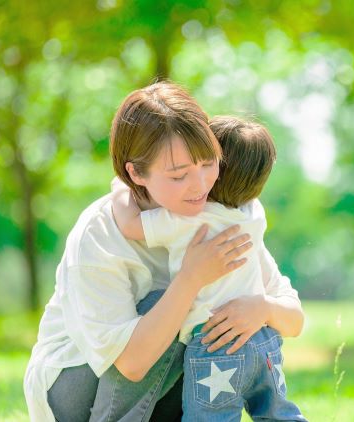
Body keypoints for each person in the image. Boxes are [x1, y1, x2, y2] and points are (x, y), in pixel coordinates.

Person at [23, 81, 305, 421]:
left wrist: (261, 307)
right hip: (77, 388)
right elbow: (132, 363)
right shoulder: (99, 233)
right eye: (178, 175)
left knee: (213, 319)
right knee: (168, 303)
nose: (200, 185)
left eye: (208, 163)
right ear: (136, 172)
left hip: (162, 380)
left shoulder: (223, 214)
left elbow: (292, 317)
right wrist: (191, 278)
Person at [111, 115, 307, 421]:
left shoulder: (187, 220)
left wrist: (121, 188)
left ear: (217, 170)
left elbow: (130, 225)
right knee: (278, 413)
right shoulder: (253, 213)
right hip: (263, 338)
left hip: (217, 344)